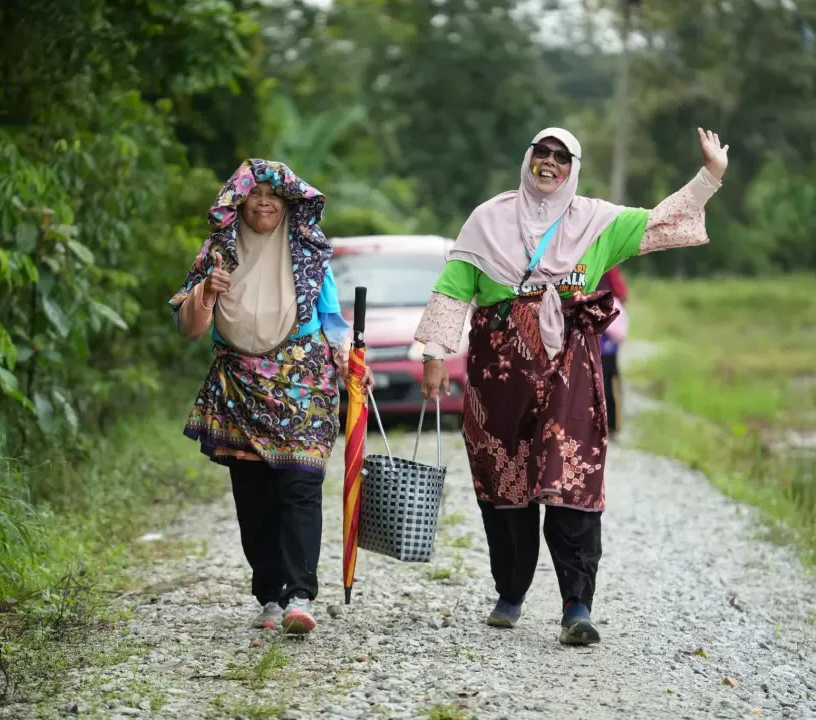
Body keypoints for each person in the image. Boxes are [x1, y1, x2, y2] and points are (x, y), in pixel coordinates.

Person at [415, 126, 728, 646]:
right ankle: (510, 594)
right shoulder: (486, 219)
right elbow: (453, 289)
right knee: (504, 483)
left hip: (570, 371)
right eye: (543, 153)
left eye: (562, 157)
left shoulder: (597, 222)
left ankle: (576, 607)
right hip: (498, 374)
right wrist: (432, 355)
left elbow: (661, 221)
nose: (550, 163)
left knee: (573, 481)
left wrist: (710, 176)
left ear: (573, 167)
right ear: (529, 158)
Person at [170, 158, 372, 635]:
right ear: (239, 202)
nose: (264, 202)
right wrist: (206, 291)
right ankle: (270, 595)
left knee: (301, 484)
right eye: (255, 194)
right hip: (238, 385)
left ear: (289, 203)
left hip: (302, 382)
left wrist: (346, 356)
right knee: (254, 496)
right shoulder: (217, 252)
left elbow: (333, 318)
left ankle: (301, 594)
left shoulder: (307, 250)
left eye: (274, 195)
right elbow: (189, 329)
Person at [597, 268, 628, 439]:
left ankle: (610, 426)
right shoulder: (609, 262)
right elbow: (622, 294)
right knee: (609, 380)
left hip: (600, 339)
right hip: (605, 340)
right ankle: (612, 426)